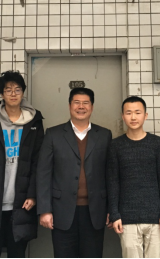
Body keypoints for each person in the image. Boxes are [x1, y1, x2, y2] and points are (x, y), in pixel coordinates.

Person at [0, 71, 45, 258]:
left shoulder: (34, 122)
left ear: (23, 93)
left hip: (21, 202)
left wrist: (33, 194)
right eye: (8, 90)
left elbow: (38, 162)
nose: (13, 94)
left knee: (17, 252)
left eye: (17, 89)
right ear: (2, 94)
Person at [37, 88, 112, 258]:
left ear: (92, 107)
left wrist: (111, 209)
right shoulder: (53, 134)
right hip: (61, 211)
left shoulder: (104, 135)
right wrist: (45, 210)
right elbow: (43, 174)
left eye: (86, 103)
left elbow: (110, 175)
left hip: (95, 211)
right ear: (69, 105)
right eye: (77, 102)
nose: (81, 107)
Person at [107, 96, 160, 259]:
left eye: (138, 112)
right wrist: (114, 214)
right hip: (126, 217)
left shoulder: (156, 143)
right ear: (123, 116)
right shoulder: (115, 145)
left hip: (155, 217)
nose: (133, 117)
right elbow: (113, 182)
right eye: (128, 113)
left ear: (145, 115)